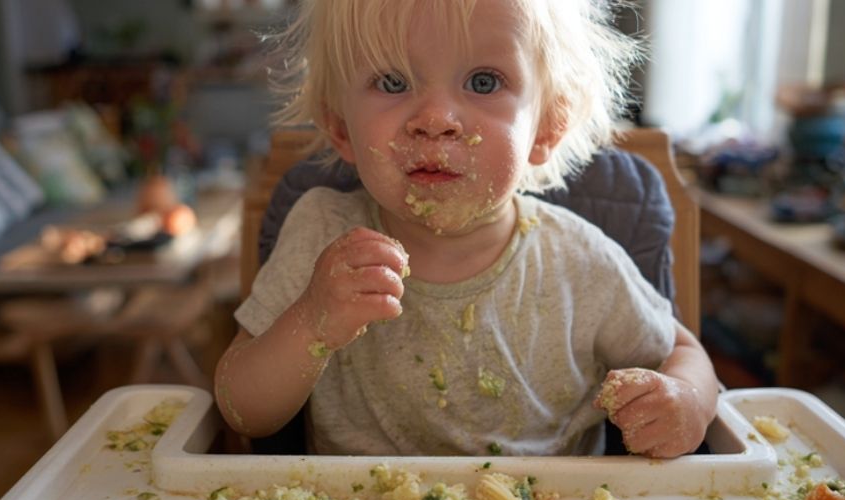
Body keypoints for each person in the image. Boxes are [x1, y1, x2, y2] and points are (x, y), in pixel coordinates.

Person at [215, 0, 720, 458]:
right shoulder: (321, 232)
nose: (435, 120)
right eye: (393, 82)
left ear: (545, 128)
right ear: (341, 127)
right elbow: (243, 413)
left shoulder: (581, 262)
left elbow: (681, 352)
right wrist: (312, 323)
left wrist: (689, 401)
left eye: (483, 82)